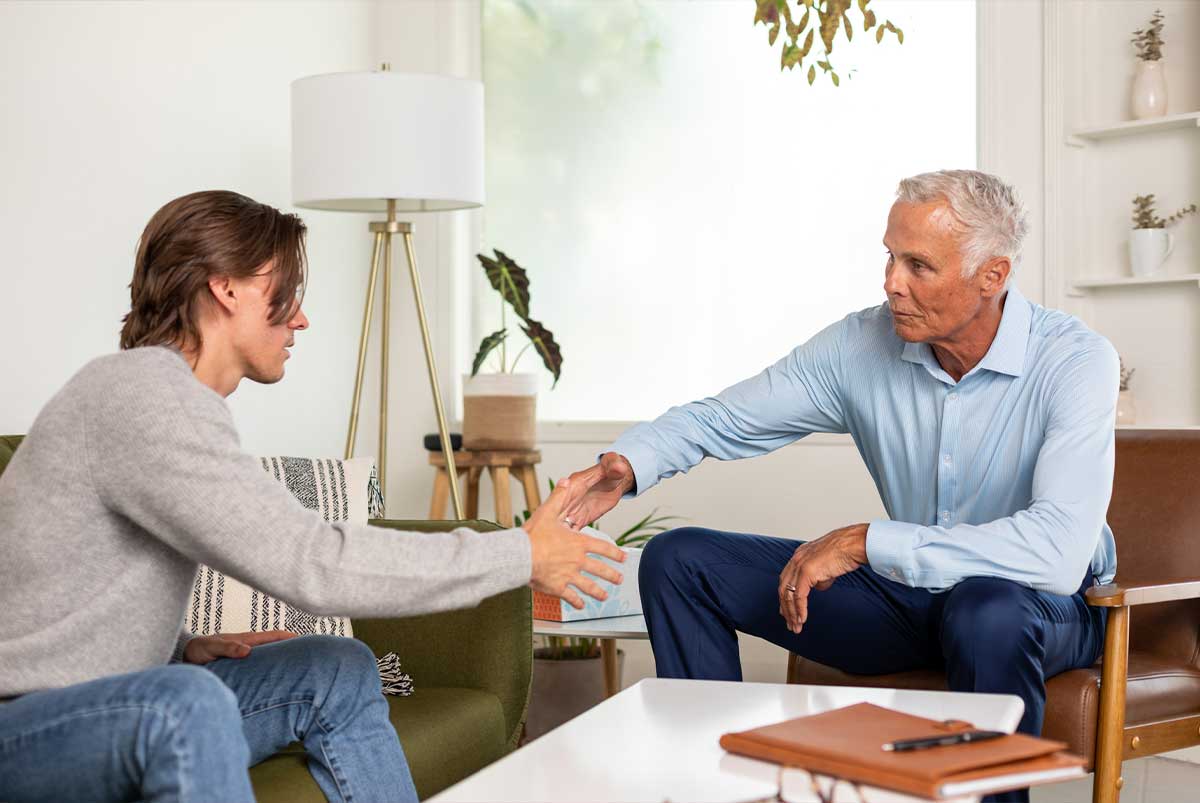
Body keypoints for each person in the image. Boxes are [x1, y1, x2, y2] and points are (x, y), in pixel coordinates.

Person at [0, 190, 625, 803]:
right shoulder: (141, 397)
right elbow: (312, 563)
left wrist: (181, 644)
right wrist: (520, 553)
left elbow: (77, 580)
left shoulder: (165, 400)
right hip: (27, 729)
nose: (299, 317)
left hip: (112, 704)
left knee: (337, 668)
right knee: (187, 703)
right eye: (286, 292)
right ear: (227, 288)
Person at [561, 170, 1117, 803]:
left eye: (918, 265)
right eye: (889, 257)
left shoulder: (1074, 361)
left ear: (992, 276)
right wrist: (630, 463)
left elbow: (1057, 553)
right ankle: (707, 791)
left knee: (985, 609)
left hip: (1044, 607)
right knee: (680, 560)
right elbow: (729, 416)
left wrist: (865, 543)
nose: (891, 283)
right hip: (913, 598)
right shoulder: (862, 345)